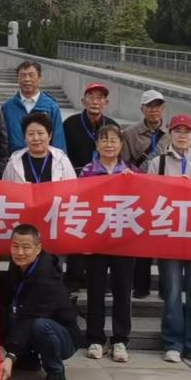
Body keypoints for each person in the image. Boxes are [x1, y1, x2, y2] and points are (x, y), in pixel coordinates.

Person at [144, 115, 191, 364]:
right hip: (169, 236)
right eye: (177, 131)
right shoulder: (159, 163)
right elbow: (149, 196)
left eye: (187, 131)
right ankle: (173, 343)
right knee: (172, 292)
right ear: (170, 134)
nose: (182, 135)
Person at [0, 224, 81, 380]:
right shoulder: (18, 266)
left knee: (38, 325)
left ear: (38, 248)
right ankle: (28, 359)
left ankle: (56, 371)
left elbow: (31, 316)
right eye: (15, 246)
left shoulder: (46, 277)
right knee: (5, 312)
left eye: (26, 247)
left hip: (63, 336)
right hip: (32, 321)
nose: (20, 252)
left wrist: (10, 355)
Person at [79, 124, 136, 363]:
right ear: (96, 145)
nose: (109, 144)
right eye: (104, 140)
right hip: (96, 240)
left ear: (121, 144)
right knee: (95, 291)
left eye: (113, 140)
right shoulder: (87, 172)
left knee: (123, 291)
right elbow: (79, 204)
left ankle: (120, 339)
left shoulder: (132, 173)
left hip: (124, 241)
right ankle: (95, 338)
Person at [121, 89, 169, 298]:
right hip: (139, 193)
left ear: (163, 108)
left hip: (165, 195)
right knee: (141, 239)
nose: (153, 110)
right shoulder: (130, 133)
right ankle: (140, 285)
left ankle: (166, 287)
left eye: (157, 106)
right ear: (142, 109)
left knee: (163, 240)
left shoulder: (171, 134)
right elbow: (123, 162)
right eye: (149, 106)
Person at [1, 60, 66, 154]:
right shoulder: (7, 108)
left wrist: (58, 160)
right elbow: (2, 140)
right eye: (22, 75)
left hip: (44, 159)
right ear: (18, 79)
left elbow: (58, 139)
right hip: (15, 160)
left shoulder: (51, 107)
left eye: (31, 75)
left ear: (39, 78)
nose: (27, 79)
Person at [2, 113, 77, 183]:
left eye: (40, 133)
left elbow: (71, 187)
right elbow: (6, 189)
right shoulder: (14, 162)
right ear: (24, 137)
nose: (36, 138)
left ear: (50, 135)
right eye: (31, 134)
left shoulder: (62, 160)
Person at [63, 83, 119, 172]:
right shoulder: (69, 124)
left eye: (99, 98)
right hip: (75, 175)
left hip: (105, 175)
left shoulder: (113, 126)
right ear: (83, 101)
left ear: (106, 103)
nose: (95, 102)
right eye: (91, 97)